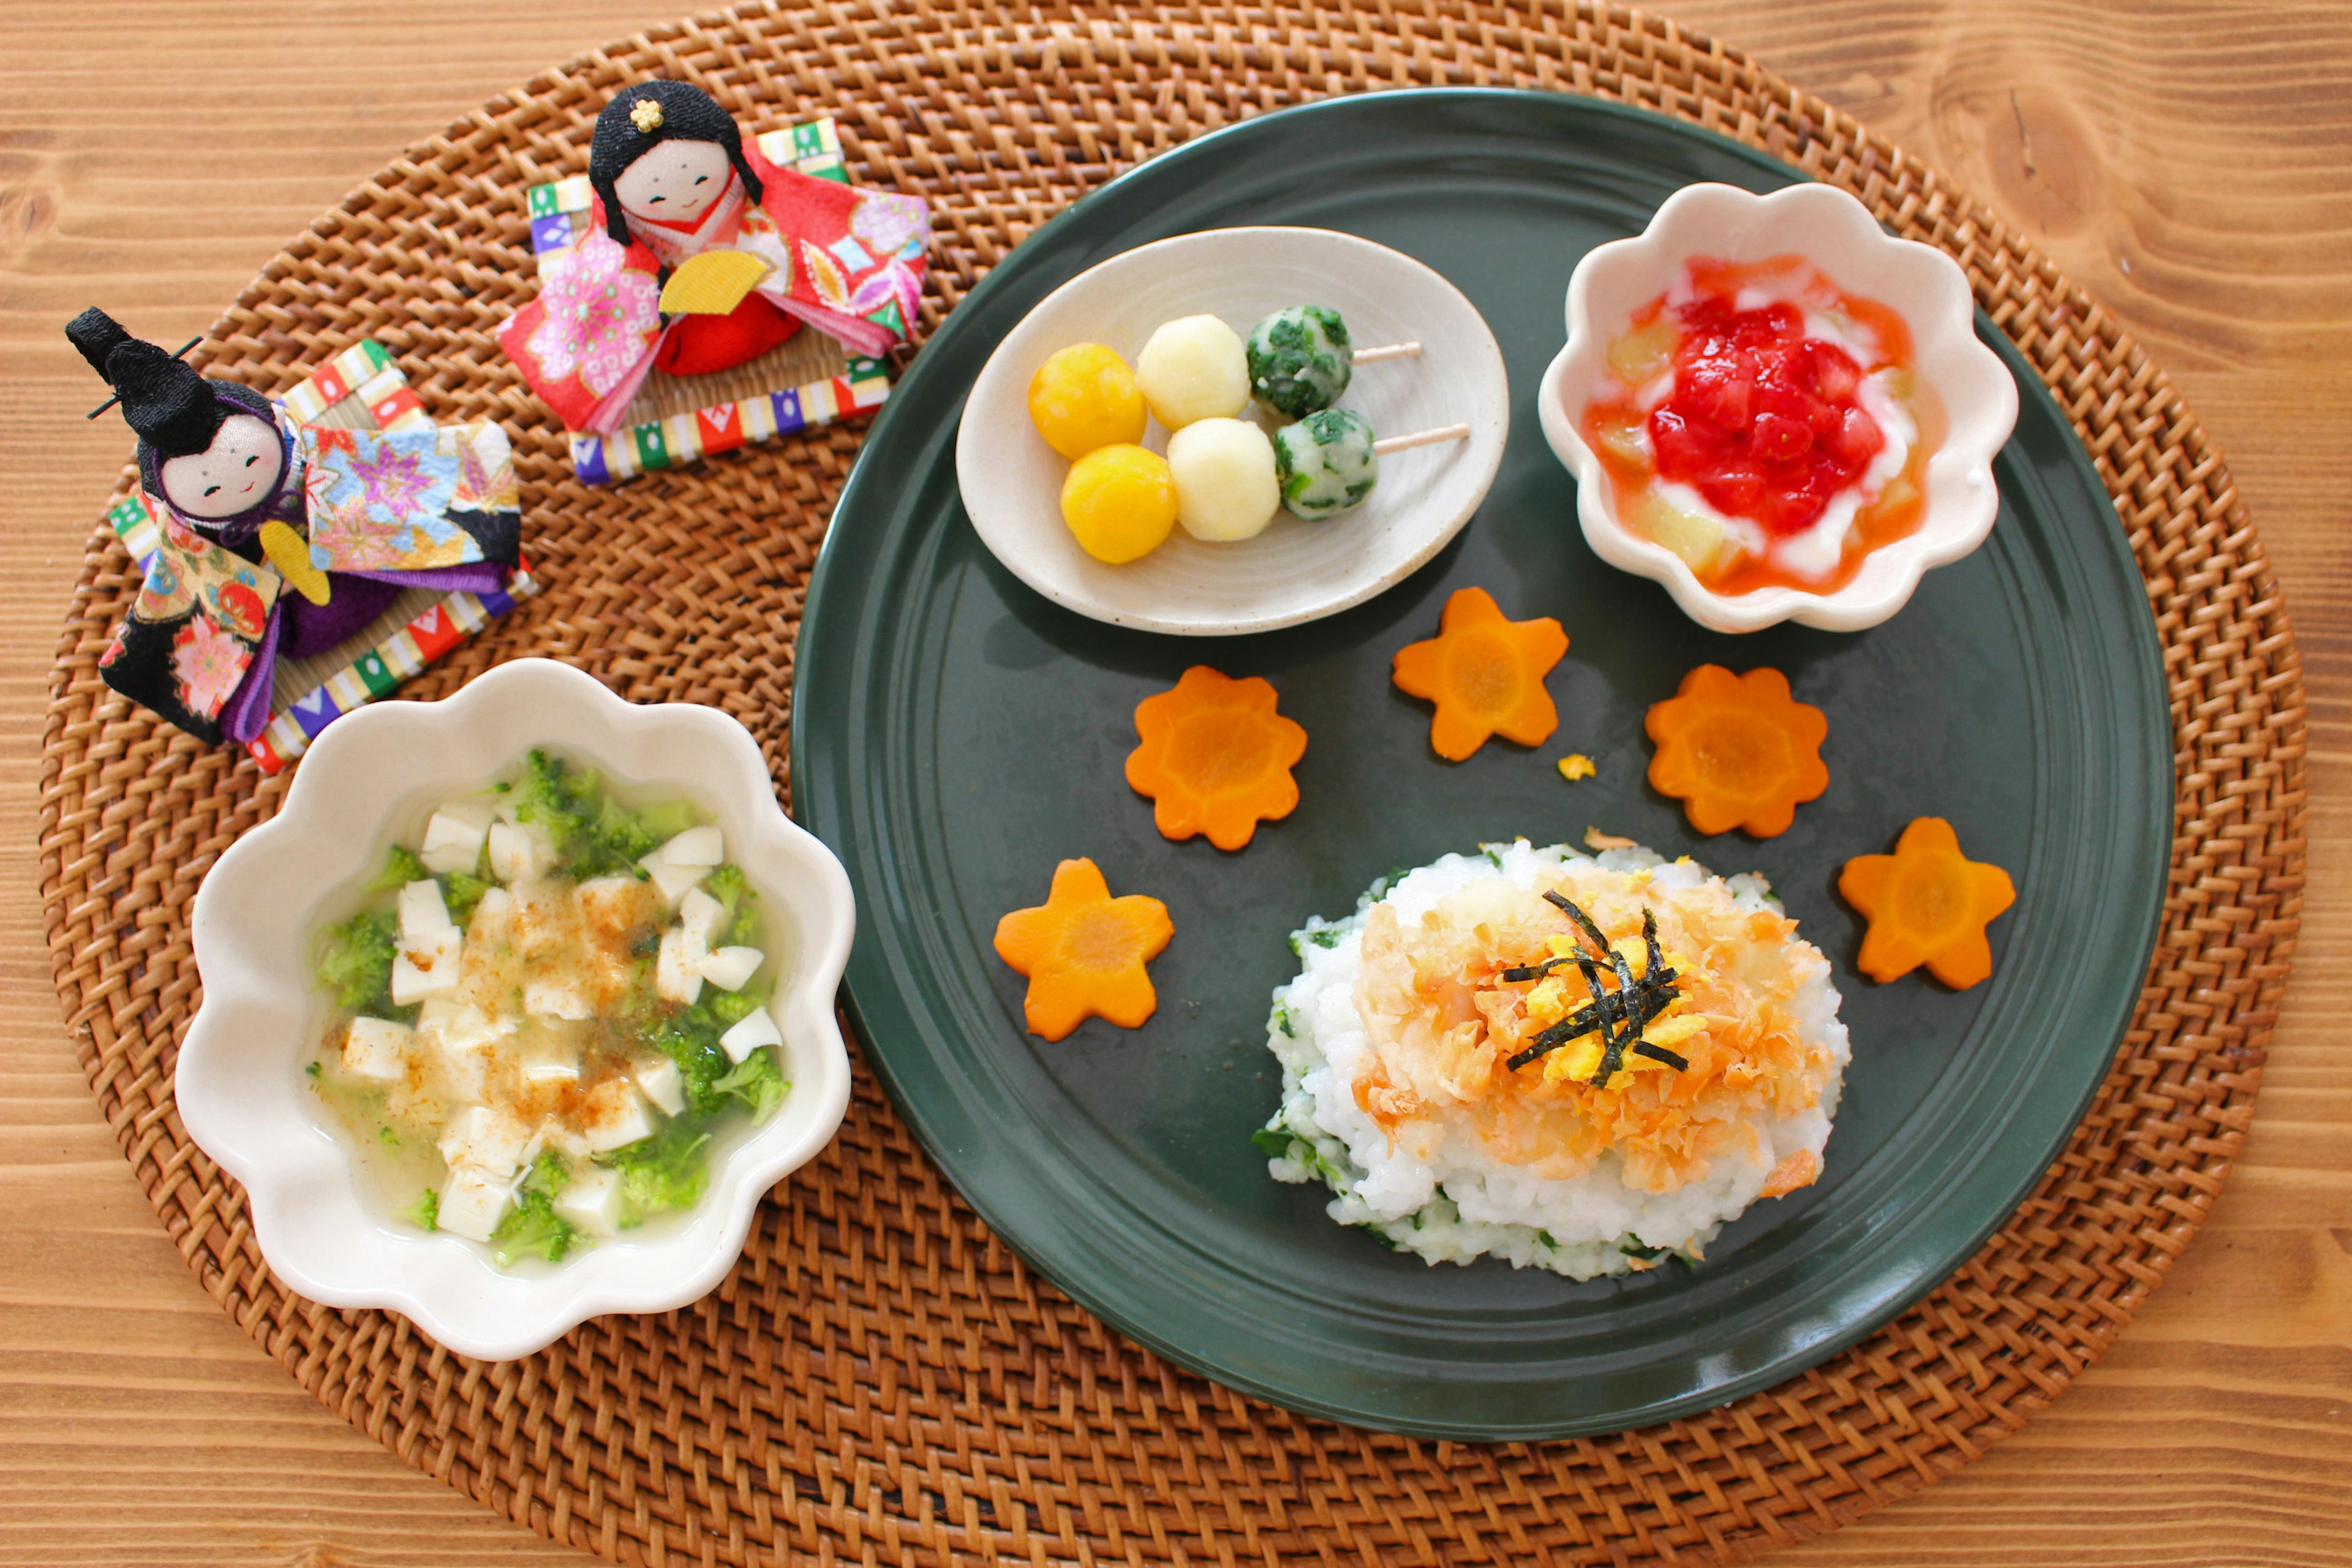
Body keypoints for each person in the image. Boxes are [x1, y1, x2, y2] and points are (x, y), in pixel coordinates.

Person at [69, 309, 522, 745]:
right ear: (165, 505)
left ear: (278, 420)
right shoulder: (194, 539)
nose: (242, 478)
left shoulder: (312, 461)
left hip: (357, 551)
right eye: (207, 493)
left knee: (401, 493)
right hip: (289, 612)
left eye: (250, 458)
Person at [500, 79, 930, 434]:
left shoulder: (749, 186)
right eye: (658, 196)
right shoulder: (625, 232)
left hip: (765, 297)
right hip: (683, 329)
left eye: (703, 177)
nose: (682, 200)